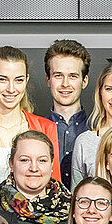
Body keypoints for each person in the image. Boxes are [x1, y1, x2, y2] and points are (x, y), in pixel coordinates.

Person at [0, 46, 61, 187]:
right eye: (3, 79)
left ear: (26, 80)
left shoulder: (46, 128)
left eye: (18, 80)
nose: (11, 89)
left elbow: (55, 186)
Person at [0, 129, 72, 224]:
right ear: (11, 164)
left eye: (42, 160)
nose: (34, 168)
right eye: (25, 160)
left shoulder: (72, 209)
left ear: (51, 165)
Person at [43, 39, 94, 167]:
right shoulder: (34, 129)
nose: (65, 84)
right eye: (58, 76)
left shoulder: (98, 130)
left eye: (73, 76)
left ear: (84, 81)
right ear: (48, 80)